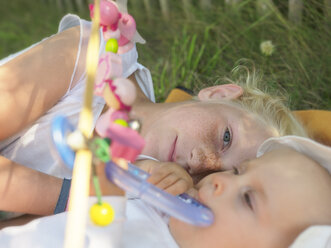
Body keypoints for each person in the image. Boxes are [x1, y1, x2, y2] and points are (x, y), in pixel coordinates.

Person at [0, 9, 306, 218]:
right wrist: (76, 197)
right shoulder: (96, 58)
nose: (201, 163)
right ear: (219, 94)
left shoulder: (143, 196)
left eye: (215, 178)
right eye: (225, 138)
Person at [0, 135, 330, 248]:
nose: (221, 181)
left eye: (247, 199)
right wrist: (158, 172)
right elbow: (127, 173)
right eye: (237, 171)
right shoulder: (163, 204)